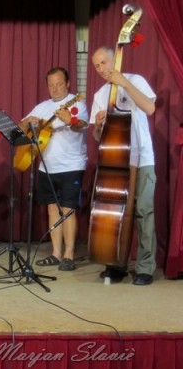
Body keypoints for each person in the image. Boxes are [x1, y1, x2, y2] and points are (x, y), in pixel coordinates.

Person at [90, 46, 157, 286]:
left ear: (115, 58)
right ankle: (116, 263)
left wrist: (124, 84)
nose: (101, 69)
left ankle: (145, 267)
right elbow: (98, 136)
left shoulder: (134, 79)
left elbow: (150, 108)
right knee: (119, 214)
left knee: (143, 212)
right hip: (117, 161)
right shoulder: (100, 95)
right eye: (97, 66)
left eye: (104, 62)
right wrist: (98, 125)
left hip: (143, 158)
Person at [20, 67, 89, 272]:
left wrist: (71, 120)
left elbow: (83, 124)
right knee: (52, 209)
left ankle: (69, 255)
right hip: (46, 166)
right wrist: (27, 123)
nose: (55, 88)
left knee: (68, 210)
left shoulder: (77, 102)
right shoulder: (42, 107)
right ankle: (56, 253)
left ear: (68, 83)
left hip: (72, 165)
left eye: (59, 84)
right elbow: (20, 125)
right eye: (51, 85)